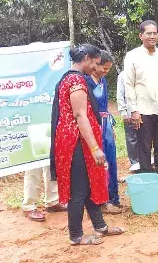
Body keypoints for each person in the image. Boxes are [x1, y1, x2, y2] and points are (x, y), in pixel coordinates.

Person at [50, 44, 124, 245]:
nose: (96, 68)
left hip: (79, 141)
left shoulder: (72, 78)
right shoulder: (75, 81)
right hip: (76, 143)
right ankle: (76, 235)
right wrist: (95, 148)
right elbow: (80, 115)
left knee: (90, 185)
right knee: (79, 190)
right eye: (96, 63)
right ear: (88, 59)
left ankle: (100, 226)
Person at [124, 20, 158, 194]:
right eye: (148, 33)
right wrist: (133, 110)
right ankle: (147, 180)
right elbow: (129, 84)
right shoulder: (132, 56)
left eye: (155, 33)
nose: (152, 36)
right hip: (143, 110)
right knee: (144, 146)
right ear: (141, 36)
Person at [85, 51, 121, 214]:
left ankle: (112, 197)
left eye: (108, 69)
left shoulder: (103, 80)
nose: (106, 72)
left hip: (105, 125)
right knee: (99, 163)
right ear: (95, 64)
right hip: (93, 125)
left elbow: (105, 107)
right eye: (104, 68)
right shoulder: (85, 81)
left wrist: (110, 128)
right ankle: (100, 200)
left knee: (111, 160)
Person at [116, 70, 140, 171]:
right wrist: (124, 112)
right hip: (130, 112)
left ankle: (145, 162)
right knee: (132, 139)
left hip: (144, 111)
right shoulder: (123, 75)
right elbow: (120, 94)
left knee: (144, 138)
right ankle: (135, 163)